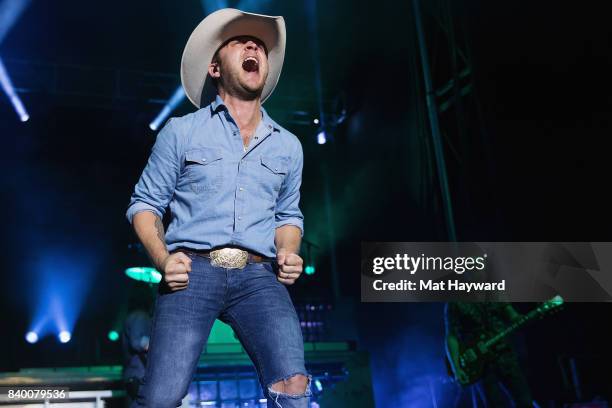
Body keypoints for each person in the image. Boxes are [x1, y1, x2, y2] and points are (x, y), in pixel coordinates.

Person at [125, 8, 310, 408]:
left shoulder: (288, 146)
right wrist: (162, 259)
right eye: (239, 42)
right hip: (192, 271)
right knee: (161, 398)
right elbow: (144, 204)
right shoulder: (182, 131)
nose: (253, 47)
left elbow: (288, 216)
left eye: (259, 45)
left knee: (293, 385)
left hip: (260, 276)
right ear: (213, 67)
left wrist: (289, 250)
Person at [445, 302, 534, 407]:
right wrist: (456, 368)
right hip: (481, 364)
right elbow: (451, 336)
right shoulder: (455, 302)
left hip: (505, 356)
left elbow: (512, 315)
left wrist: (526, 317)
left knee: (525, 402)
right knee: (494, 404)